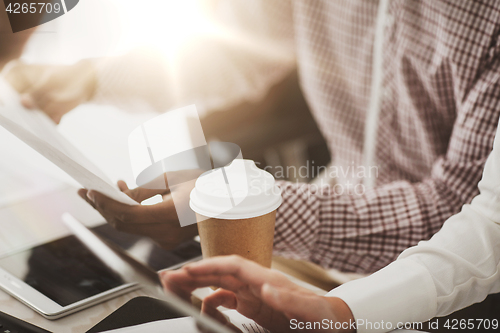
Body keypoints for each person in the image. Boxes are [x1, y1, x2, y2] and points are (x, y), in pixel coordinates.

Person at [7, 0, 500, 275]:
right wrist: (94, 78)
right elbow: (238, 51)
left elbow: (461, 209)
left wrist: (248, 214)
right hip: (327, 223)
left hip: (440, 276)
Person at [161, 117, 500, 332]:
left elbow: (464, 208)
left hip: (418, 281)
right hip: (342, 274)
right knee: (157, 275)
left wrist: (346, 310)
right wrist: (341, 312)